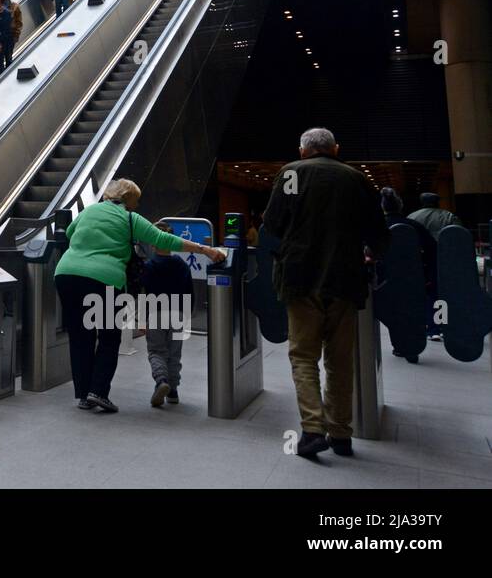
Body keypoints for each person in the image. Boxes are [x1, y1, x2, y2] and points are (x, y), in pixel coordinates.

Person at [262, 127, 389, 459]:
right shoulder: (356, 179)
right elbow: (378, 232)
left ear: (302, 151)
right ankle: (341, 434)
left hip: (300, 277)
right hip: (346, 279)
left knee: (303, 355)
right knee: (340, 359)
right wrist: (369, 253)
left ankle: (313, 429)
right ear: (335, 148)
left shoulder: (291, 173)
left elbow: (272, 223)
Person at [55, 179, 225, 413]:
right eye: (136, 200)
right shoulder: (129, 218)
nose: (137, 205)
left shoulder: (89, 211)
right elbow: (163, 239)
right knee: (108, 336)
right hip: (103, 279)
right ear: (128, 198)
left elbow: (71, 234)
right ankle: (98, 392)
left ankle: (84, 395)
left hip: (67, 274)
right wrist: (205, 249)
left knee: (80, 337)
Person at [142, 220, 194, 407]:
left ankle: (161, 380)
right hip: (178, 313)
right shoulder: (181, 265)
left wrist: (142, 318)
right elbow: (189, 291)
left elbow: (145, 293)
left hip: (156, 313)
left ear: (153, 243)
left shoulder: (149, 265)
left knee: (156, 351)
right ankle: (173, 391)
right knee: (174, 353)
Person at [381, 187, 439, 350]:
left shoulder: (381, 226)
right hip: (415, 275)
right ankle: (433, 329)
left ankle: (399, 343)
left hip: (388, 276)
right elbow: (432, 248)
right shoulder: (413, 224)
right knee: (421, 305)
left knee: (393, 310)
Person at [6, 0, 24, 65]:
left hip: (11, 34)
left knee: (8, 55)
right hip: (1, 37)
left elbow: (19, 22)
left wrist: (16, 34)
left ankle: (8, 69)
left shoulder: (15, 7)